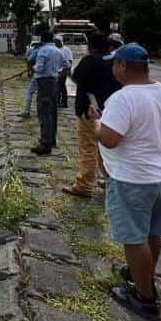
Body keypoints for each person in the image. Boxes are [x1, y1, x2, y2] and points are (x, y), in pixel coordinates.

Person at [92, 43, 161, 321]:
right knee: (152, 234)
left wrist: (96, 124)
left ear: (122, 65)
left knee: (134, 238)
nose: (112, 68)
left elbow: (110, 139)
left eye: (114, 64)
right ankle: (141, 274)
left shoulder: (124, 98)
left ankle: (145, 298)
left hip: (132, 179)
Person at [62, 32, 121, 198]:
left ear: (90, 45)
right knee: (105, 148)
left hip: (89, 109)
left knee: (88, 147)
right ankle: (110, 180)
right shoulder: (113, 62)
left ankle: (84, 185)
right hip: (109, 109)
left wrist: (68, 73)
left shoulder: (90, 60)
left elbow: (77, 78)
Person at [30, 29, 64, 156]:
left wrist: (32, 68)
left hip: (44, 83)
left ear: (42, 39)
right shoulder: (58, 51)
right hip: (55, 82)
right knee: (53, 112)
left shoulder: (42, 50)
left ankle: (45, 143)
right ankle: (52, 140)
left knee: (44, 112)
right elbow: (64, 65)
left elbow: (39, 68)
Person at [20, 40, 41, 118]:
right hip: (50, 78)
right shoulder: (54, 50)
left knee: (30, 92)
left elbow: (28, 60)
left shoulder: (36, 51)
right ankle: (41, 112)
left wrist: (29, 71)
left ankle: (27, 112)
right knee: (42, 94)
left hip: (37, 75)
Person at [55, 35, 74, 108]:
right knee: (57, 87)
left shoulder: (66, 50)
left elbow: (70, 61)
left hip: (63, 70)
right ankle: (58, 101)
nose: (56, 43)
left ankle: (64, 102)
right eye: (55, 41)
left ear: (60, 41)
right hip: (56, 71)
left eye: (57, 41)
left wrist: (67, 71)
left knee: (62, 86)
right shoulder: (55, 49)